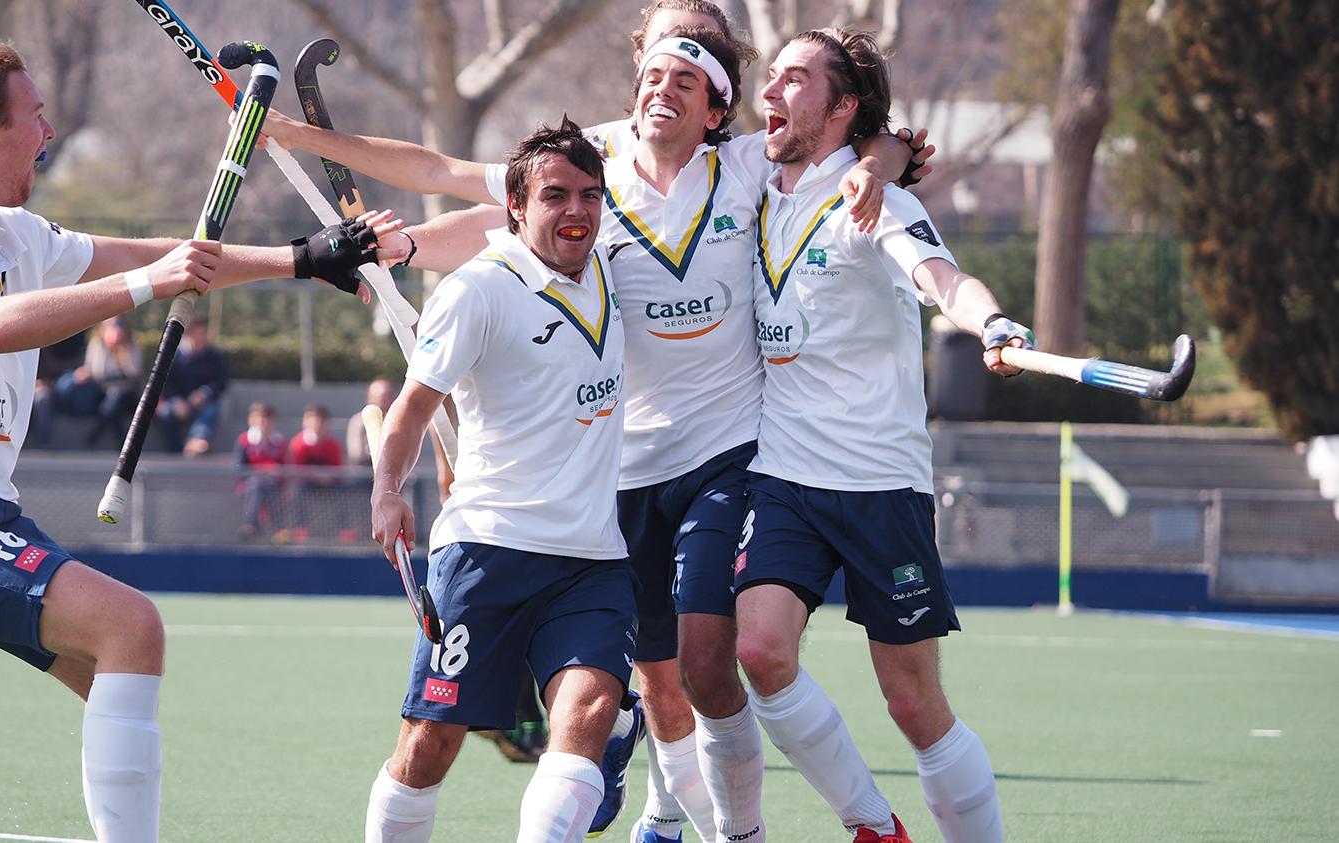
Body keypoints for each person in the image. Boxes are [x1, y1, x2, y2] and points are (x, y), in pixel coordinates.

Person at [261, 11, 925, 840]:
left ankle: (747, 829)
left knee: (711, 662)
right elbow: (454, 182)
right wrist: (313, 168)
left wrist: (886, 154)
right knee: (657, 684)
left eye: (687, 65)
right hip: (619, 479)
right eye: (654, 59)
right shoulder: (595, 164)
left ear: (717, 94)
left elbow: (864, 138)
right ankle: (654, 798)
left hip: (725, 455)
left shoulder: (746, 161)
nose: (661, 79)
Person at [0, 43, 401, 843]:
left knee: (112, 668)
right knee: (131, 628)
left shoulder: (13, 232)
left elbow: (159, 257)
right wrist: (148, 288)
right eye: (38, 117)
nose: (51, 128)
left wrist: (301, 261)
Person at [717, 29, 1029, 843]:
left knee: (913, 704)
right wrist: (888, 148)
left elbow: (943, 279)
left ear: (842, 105)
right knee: (760, 649)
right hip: (783, 474)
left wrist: (992, 321)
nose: (772, 91)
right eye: (771, 77)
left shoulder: (880, 200)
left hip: (882, 483)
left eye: (794, 79)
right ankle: (873, 824)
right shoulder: (749, 181)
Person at [366, 119, 634, 842]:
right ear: (516, 208)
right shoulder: (478, 291)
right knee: (428, 746)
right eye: (555, 196)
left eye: (589, 195)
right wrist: (388, 488)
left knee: (584, 718)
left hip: (592, 560)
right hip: (488, 550)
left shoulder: (612, 265)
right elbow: (411, 409)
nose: (576, 210)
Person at [50, 316, 143, 447]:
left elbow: (133, 373)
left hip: (126, 391)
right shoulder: (97, 344)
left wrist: (122, 352)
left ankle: (96, 434)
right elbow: (97, 372)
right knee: (113, 403)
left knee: (117, 398)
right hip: (103, 389)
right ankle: (121, 443)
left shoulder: (131, 346)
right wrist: (108, 348)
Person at [156, 314, 227, 456]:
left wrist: (204, 393)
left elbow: (221, 382)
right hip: (176, 402)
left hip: (202, 402)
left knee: (211, 411)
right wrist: (176, 401)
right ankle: (175, 452)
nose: (201, 338)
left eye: (204, 334)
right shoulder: (173, 356)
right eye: (197, 334)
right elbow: (163, 383)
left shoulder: (214, 356)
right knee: (166, 413)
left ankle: (196, 441)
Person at [286, 402, 344, 543]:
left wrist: (328, 478)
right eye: (312, 418)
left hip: (329, 484)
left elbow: (338, 468)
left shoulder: (333, 444)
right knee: (297, 491)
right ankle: (301, 528)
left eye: (320, 419)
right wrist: (316, 476)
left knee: (344, 491)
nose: (316, 423)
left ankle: (345, 529)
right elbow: (296, 470)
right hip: (305, 484)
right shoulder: (298, 443)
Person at [233, 401, 286, 540]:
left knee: (272, 489)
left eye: (267, 417)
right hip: (249, 484)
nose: (263, 421)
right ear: (250, 419)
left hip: (272, 484)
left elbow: (284, 467)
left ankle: (278, 530)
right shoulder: (244, 440)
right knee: (256, 486)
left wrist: (276, 472)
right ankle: (251, 526)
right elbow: (238, 467)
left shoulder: (279, 442)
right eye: (258, 417)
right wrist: (258, 472)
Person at [347, 377, 398, 465]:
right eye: (379, 396)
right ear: (369, 398)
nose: (382, 400)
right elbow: (356, 453)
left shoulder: (397, 420)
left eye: (387, 396)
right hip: (364, 470)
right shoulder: (358, 421)